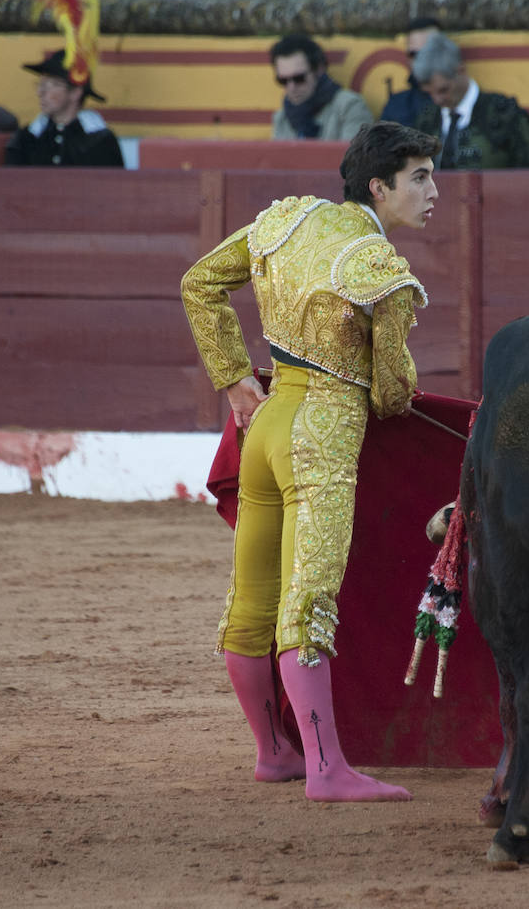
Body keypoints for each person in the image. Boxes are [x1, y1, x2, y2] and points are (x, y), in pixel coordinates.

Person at [179, 121, 439, 802]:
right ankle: (325, 769)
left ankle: (274, 754)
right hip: (321, 437)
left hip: (264, 427)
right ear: (379, 187)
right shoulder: (381, 270)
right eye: (420, 178)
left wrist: (236, 378)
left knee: (252, 603)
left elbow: (200, 282)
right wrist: (404, 382)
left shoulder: (288, 219)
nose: (432, 191)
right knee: (307, 601)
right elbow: (389, 395)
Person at [410, 32, 529, 169]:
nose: (437, 100)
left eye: (444, 90)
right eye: (429, 93)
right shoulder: (426, 119)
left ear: (460, 70)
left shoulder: (504, 114)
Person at [5, 49, 123, 166]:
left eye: (53, 85)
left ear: (75, 93)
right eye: (40, 84)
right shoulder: (28, 137)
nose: (40, 92)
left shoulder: (99, 140)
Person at [270, 35, 374, 141]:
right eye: (283, 80)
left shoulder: (349, 107)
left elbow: (356, 156)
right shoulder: (282, 118)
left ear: (319, 70)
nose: (291, 87)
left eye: (299, 78)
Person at [378, 17, 440, 128]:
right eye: (414, 54)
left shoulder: (457, 98)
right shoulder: (396, 104)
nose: (421, 60)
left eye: (427, 52)